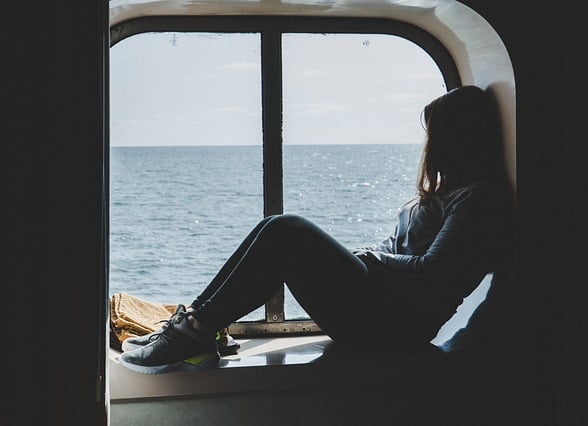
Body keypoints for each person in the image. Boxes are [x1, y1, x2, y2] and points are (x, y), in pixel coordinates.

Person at [118, 85, 511, 374]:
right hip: (380, 309)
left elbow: (433, 270)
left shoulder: (477, 199)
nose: (431, 145)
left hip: (394, 327)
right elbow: (402, 249)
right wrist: (367, 257)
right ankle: (196, 325)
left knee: (287, 230)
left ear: (461, 139)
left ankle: (193, 332)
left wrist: (369, 258)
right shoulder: (445, 192)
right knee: (276, 225)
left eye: (438, 134)